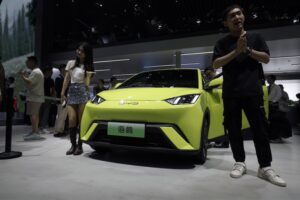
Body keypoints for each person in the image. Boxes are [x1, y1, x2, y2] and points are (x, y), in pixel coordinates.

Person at [212, 5, 286, 187]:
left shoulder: (256, 37)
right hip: (231, 93)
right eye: (232, 15)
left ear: (243, 17)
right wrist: (236, 51)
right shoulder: (222, 43)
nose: (237, 17)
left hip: (253, 91)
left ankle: (265, 167)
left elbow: (266, 58)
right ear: (226, 22)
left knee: (260, 129)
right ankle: (240, 162)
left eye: (239, 13)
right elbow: (215, 63)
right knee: (234, 129)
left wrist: (248, 50)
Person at [61, 42, 94, 155]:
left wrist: (88, 76)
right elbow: (66, 79)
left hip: (82, 92)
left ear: (86, 54)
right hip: (71, 92)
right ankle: (72, 145)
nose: (79, 52)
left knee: (81, 121)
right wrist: (62, 92)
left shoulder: (88, 66)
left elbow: (86, 84)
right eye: (78, 50)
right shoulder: (71, 63)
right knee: (71, 120)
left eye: (82, 51)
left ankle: (79, 146)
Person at [20, 56, 45, 140]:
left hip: (34, 97)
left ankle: (35, 132)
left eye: (28, 62)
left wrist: (22, 76)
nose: (26, 63)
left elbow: (30, 82)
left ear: (33, 62)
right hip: (36, 97)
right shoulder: (37, 71)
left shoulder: (35, 72)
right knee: (35, 114)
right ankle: (35, 131)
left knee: (33, 115)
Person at [39, 66, 56, 134]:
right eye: (50, 71)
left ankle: (43, 126)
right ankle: (39, 126)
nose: (51, 73)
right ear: (47, 72)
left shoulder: (51, 80)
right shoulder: (41, 79)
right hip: (40, 97)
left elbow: (53, 90)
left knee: (46, 112)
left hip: (48, 98)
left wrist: (53, 98)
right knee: (40, 112)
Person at [54, 64, 69, 137]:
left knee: (63, 116)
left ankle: (61, 130)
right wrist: (62, 97)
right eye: (63, 69)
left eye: (65, 69)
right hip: (61, 100)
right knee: (61, 116)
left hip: (66, 100)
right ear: (60, 70)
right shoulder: (58, 78)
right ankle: (58, 131)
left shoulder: (66, 78)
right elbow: (57, 89)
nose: (65, 70)